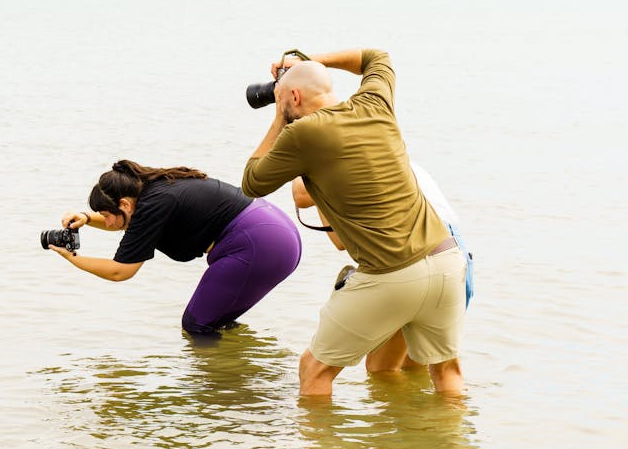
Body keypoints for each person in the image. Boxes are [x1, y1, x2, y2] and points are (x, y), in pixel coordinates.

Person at [240, 48, 466, 396]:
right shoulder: (375, 103)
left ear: (295, 97)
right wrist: (312, 61)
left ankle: (318, 436)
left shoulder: (303, 134)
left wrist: (279, 118)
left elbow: (252, 182)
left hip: (392, 273)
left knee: (314, 370)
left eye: (283, 97)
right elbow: (376, 57)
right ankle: (450, 433)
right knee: (446, 370)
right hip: (447, 261)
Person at [48, 160, 302, 338]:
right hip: (275, 233)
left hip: (257, 241)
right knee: (215, 320)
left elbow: (120, 271)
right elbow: (123, 224)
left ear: (124, 204)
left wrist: (72, 258)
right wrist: (87, 218)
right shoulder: (153, 192)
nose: (107, 222)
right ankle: (240, 376)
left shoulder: (151, 206)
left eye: (106, 215)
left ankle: (218, 390)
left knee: (196, 325)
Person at [292, 162, 475, 372]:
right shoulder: (396, 160)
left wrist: (304, 167)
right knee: (421, 369)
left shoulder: (344, 167)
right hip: (453, 259)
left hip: (411, 259)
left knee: (381, 369)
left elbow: (303, 197)